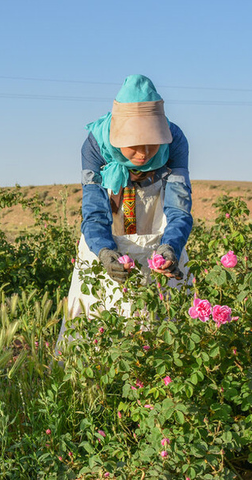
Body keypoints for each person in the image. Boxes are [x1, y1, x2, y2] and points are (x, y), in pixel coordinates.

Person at [57, 74, 193, 344]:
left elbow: (178, 207)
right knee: (97, 308)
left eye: (152, 143)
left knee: (165, 314)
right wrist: (104, 251)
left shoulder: (175, 140)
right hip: (110, 214)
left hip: (157, 212)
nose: (143, 153)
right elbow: (94, 211)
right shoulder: (95, 144)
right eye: (134, 145)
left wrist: (171, 247)